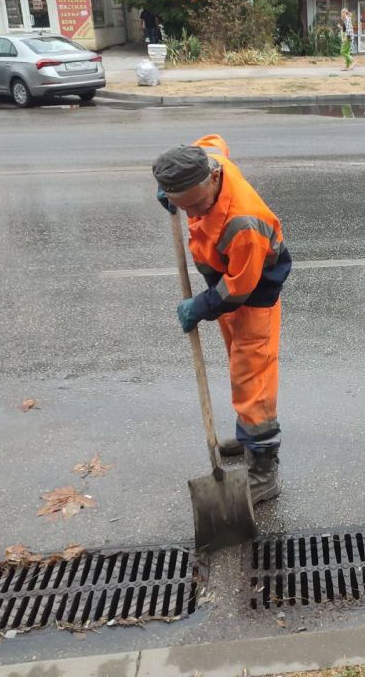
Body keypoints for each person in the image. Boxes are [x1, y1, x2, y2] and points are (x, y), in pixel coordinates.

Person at [152, 135, 292, 504]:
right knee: (239, 367)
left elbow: (239, 290)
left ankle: (263, 471)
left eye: (196, 204)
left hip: (252, 296)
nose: (193, 214)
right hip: (226, 285)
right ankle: (248, 436)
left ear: (213, 178)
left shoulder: (244, 222)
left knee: (253, 381)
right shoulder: (207, 160)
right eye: (185, 209)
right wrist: (172, 194)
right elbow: (213, 141)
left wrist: (201, 306)